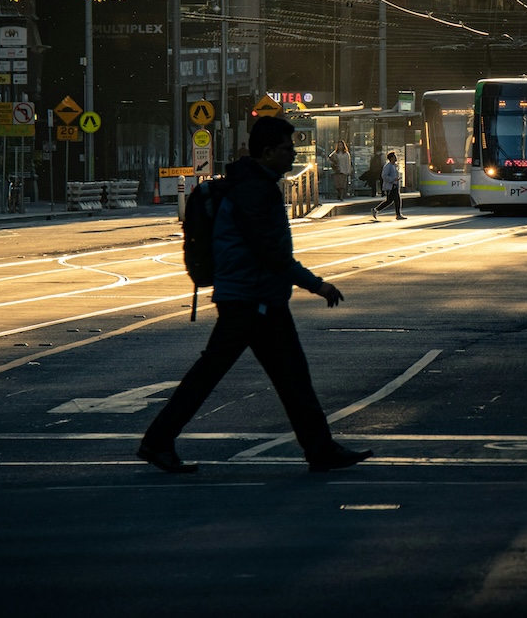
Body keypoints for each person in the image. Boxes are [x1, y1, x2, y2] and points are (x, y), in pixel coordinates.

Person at [138, 116, 372, 474]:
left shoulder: (253, 184)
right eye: (286, 148)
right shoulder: (254, 190)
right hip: (251, 300)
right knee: (238, 374)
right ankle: (157, 441)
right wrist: (317, 284)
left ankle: (320, 449)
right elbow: (270, 252)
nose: (292, 154)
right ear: (267, 152)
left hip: (256, 298)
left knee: (287, 376)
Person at [372, 150, 406, 220]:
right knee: (397, 200)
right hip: (391, 186)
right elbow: (384, 176)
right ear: (391, 158)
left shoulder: (395, 166)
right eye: (394, 156)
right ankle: (398, 214)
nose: (396, 158)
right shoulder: (388, 166)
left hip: (395, 185)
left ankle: (376, 210)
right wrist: (392, 179)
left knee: (389, 201)